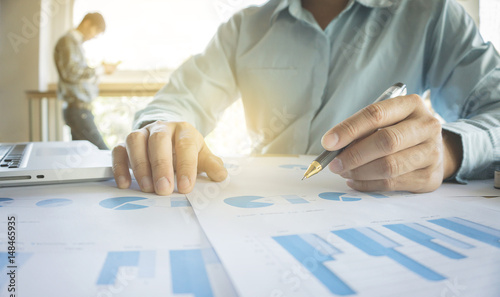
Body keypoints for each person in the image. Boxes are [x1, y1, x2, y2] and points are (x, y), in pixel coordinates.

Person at [112, 0, 500, 195]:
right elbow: (179, 101)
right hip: (261, 211)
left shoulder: (430, 13)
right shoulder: (245, 27)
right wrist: (162, 129)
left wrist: (449, 150)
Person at [54, 12, 119, 150]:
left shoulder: (75, 44)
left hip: (79, 110)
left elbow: (77, 76)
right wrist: (101, 69)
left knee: (82, 157)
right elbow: (71, 73)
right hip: (77, 110)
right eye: (96, 31)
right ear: (87, 23)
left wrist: (100, 71)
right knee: (104, 153)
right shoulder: (68, 41)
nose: (94, 36)